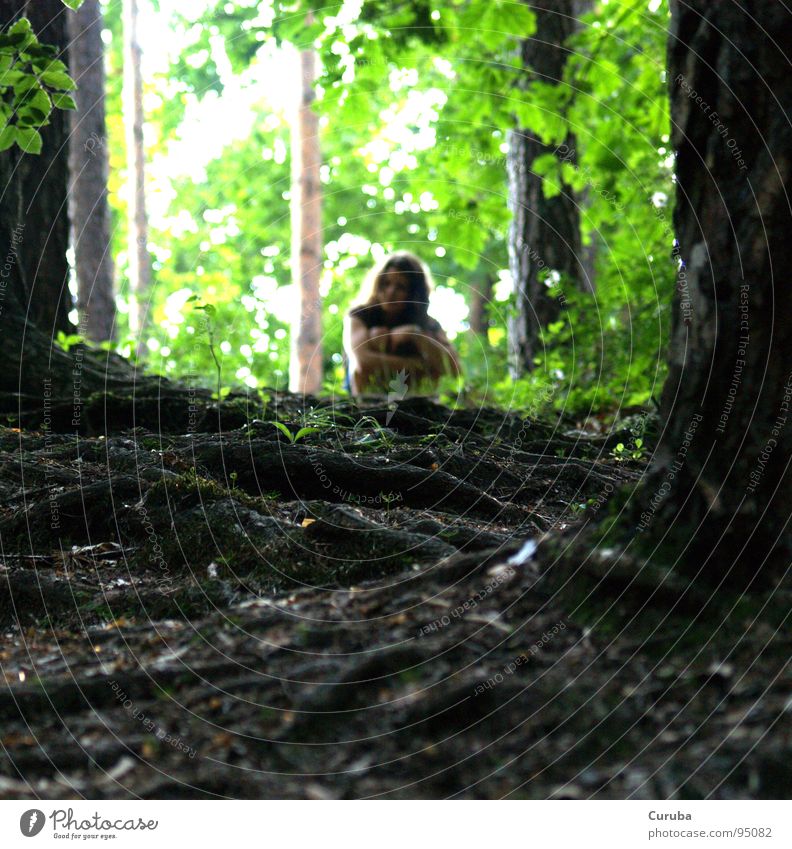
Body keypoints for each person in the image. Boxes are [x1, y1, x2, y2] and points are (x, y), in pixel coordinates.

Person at [343, 252, 461, 396]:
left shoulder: (427, 323)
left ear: (414, 293)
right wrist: (416, 365)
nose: (391, 292)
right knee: (377, 335)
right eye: (386, 283)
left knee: (430, 347)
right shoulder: (359, 315)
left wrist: (416, 336)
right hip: (362, 394)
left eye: (400, 287)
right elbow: (362, 360)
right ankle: (366, 405)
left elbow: (454, 369)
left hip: (414, 398)